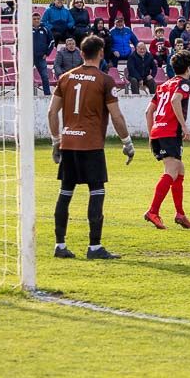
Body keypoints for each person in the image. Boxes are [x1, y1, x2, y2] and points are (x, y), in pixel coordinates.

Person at [47, 35, 134, 259]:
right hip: (91, 145)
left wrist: (57, 141)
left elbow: (51, 112)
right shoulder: (105, 80)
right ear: (101, 53)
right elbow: (116, 116)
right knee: (96, 192)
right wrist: (127, 143)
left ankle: (60, 245)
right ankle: (94, 247)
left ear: (82, 53)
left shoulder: (65, 77)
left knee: (65, 193)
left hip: (68, 143)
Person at [143, 50, 190, 230]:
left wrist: (152, 134)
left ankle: (180, 214)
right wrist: (185, 127)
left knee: (179, 170)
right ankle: (153, 211)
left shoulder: (163, 85)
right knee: (172, 171)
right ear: (188, 68)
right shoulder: (185, 84)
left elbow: (148, 112)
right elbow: (175, 101)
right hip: (170, 133)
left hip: (159, 131)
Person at [30, 14, 54, 96]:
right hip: (29, 57)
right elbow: (20, 41)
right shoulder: (27, 29)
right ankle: (25, 93)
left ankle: (47, 94)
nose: (36, 20)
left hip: (41, 57)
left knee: (45, 76)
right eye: (34, 19)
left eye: (38, 19)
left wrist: (47, 53)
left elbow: (52, 42)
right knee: (26, 76)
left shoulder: (45, 29)